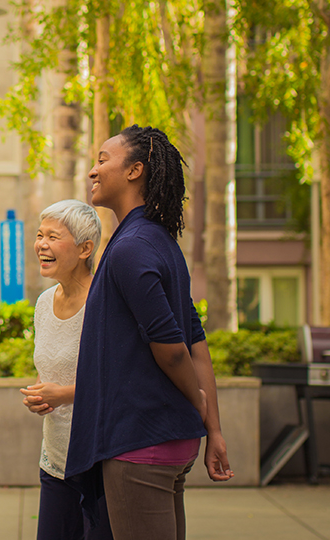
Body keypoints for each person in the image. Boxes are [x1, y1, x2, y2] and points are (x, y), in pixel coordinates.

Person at [65, 125, 233, 540]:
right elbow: (196, 339)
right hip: (169, 440)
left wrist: (197, 399)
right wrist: (213, 428)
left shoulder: (130, 248)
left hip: (139, 443)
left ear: (135, 170)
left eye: (104, 160)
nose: (93, 171)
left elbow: (173, 349)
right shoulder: (160, 241)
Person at [20, 199, 113, 540]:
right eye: (40, 234)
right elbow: (52, 372)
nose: (41, 244)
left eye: (53, 237)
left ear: (85, 248)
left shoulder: (104, 303)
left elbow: (121, 382)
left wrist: (64, 395)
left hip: (99, 463)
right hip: (55, 460)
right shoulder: (44, 303)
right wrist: (42, 395)